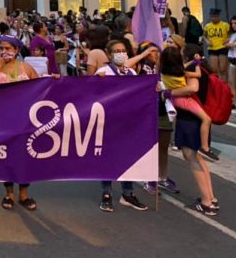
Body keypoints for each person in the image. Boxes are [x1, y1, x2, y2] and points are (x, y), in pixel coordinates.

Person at [0, 35, 38, 211]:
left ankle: (24, 194)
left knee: (25, 158)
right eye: (2, 48)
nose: (5, 52)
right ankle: (9, 193)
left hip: (24, 121)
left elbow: (40, 88)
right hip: (1, 120)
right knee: (6, 157)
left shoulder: (26, 68)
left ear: (17, 50)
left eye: (9, 48)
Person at [160, 46, 219, 216]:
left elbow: (192, 88)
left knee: (192, 157)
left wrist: (168, 92)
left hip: (189, 120)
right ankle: (210, 198)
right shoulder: (194, 67)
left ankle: (207, 203)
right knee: (198, 158)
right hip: (193, 118)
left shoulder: (189, 70)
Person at [94, 40, 148, 212]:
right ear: (110, 54)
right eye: (117, 51)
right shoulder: (103, 71)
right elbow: (91, 94)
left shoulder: (131, 72)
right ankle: (106, 193)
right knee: (108, 158)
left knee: (128, 158)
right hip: (109, 122)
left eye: (123, 51)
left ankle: (127, 192)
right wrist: (97, 82)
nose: (121, 53)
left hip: (128, 123)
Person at [161, 50, 218, 162]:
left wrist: (192, 61)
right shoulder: (182, 72)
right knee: (206, 119)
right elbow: (198, 74)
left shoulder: (164, 71)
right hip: (183, 99)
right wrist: (197, 64)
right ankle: (205, 147)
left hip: (173, 99)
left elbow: (183, 66)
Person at [203, 8, 229, 82]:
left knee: (223, 69)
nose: (213, 18)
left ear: (218, 16)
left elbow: (231, 33)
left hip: (222, 47)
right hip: (212, 48)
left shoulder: (225, 25)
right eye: (211, 16)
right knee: (214, 69)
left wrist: (228, 39)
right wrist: (207, 41)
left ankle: (224, 85)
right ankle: (217, 85)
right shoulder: (207, 26)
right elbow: (204, 35)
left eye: (215, 16)